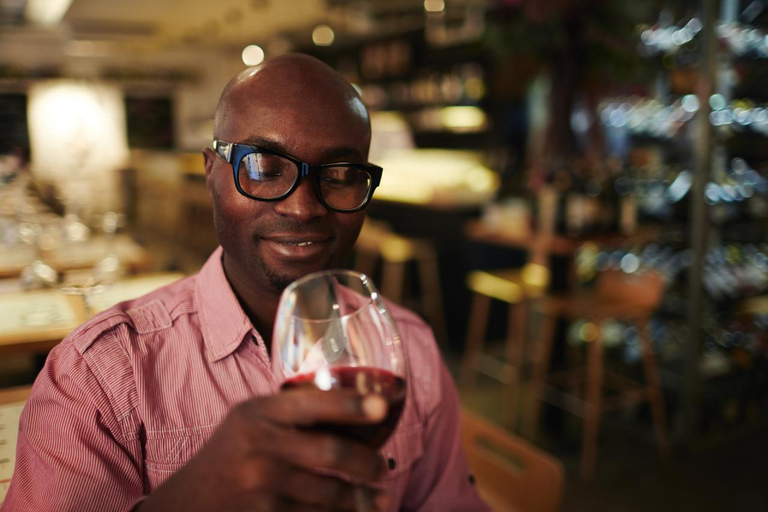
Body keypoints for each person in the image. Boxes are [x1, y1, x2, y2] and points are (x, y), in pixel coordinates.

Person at [2, 54, 490, 512]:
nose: (303, 208)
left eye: (341, 173)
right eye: (264, 167)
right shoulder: (99, 379)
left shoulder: (410, 354)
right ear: (212, 172)